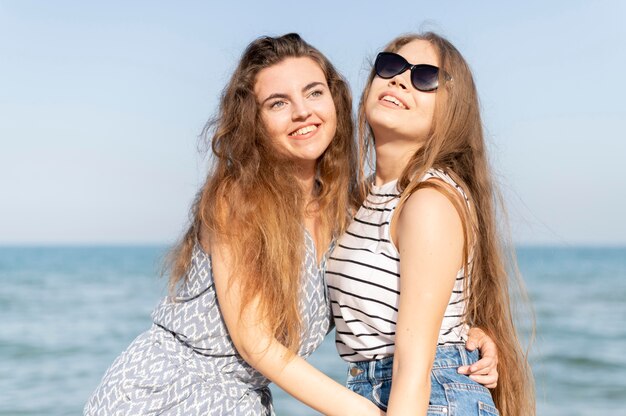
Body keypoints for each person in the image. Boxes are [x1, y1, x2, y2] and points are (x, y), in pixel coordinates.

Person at [84, 33, 498, 416]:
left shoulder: (357, 209)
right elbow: (254, 341)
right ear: (255, 120)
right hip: (165, 394)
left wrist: (464, 335)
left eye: (313, 92)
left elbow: (410, 303)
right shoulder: (243, 198)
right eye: (278, 102)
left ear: (334, 100)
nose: (302, 111)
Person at [327, 32, 535, 416]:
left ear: (451, 110)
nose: (400, 80)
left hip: (427, 398)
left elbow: (413, 370)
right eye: (390, 67)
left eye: (424, 77)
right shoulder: (361, 200)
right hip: (380, 392)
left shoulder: (429, 200)